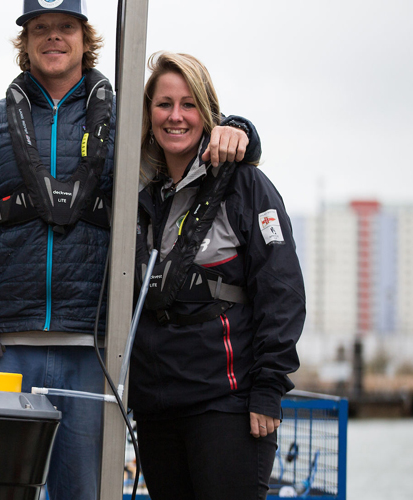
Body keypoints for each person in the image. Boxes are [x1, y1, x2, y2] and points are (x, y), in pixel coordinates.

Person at [0, 2, 258, 498]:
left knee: (84, 494)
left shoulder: (129, 123)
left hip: (93, 354)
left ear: (85, 36)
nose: (52, 37)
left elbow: (184, 126)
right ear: (25, 40)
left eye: (65, 27)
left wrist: (240, 128)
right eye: (40, 27)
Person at [129, 51, 305, 500]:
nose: (175, 116)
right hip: (156, 406)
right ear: (148, 114)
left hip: (227, 403)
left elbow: (281, 292)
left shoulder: (247, 186)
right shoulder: (144, 195)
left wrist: (268, 390)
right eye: (164, 104)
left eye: (188, 104)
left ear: (207, 113)